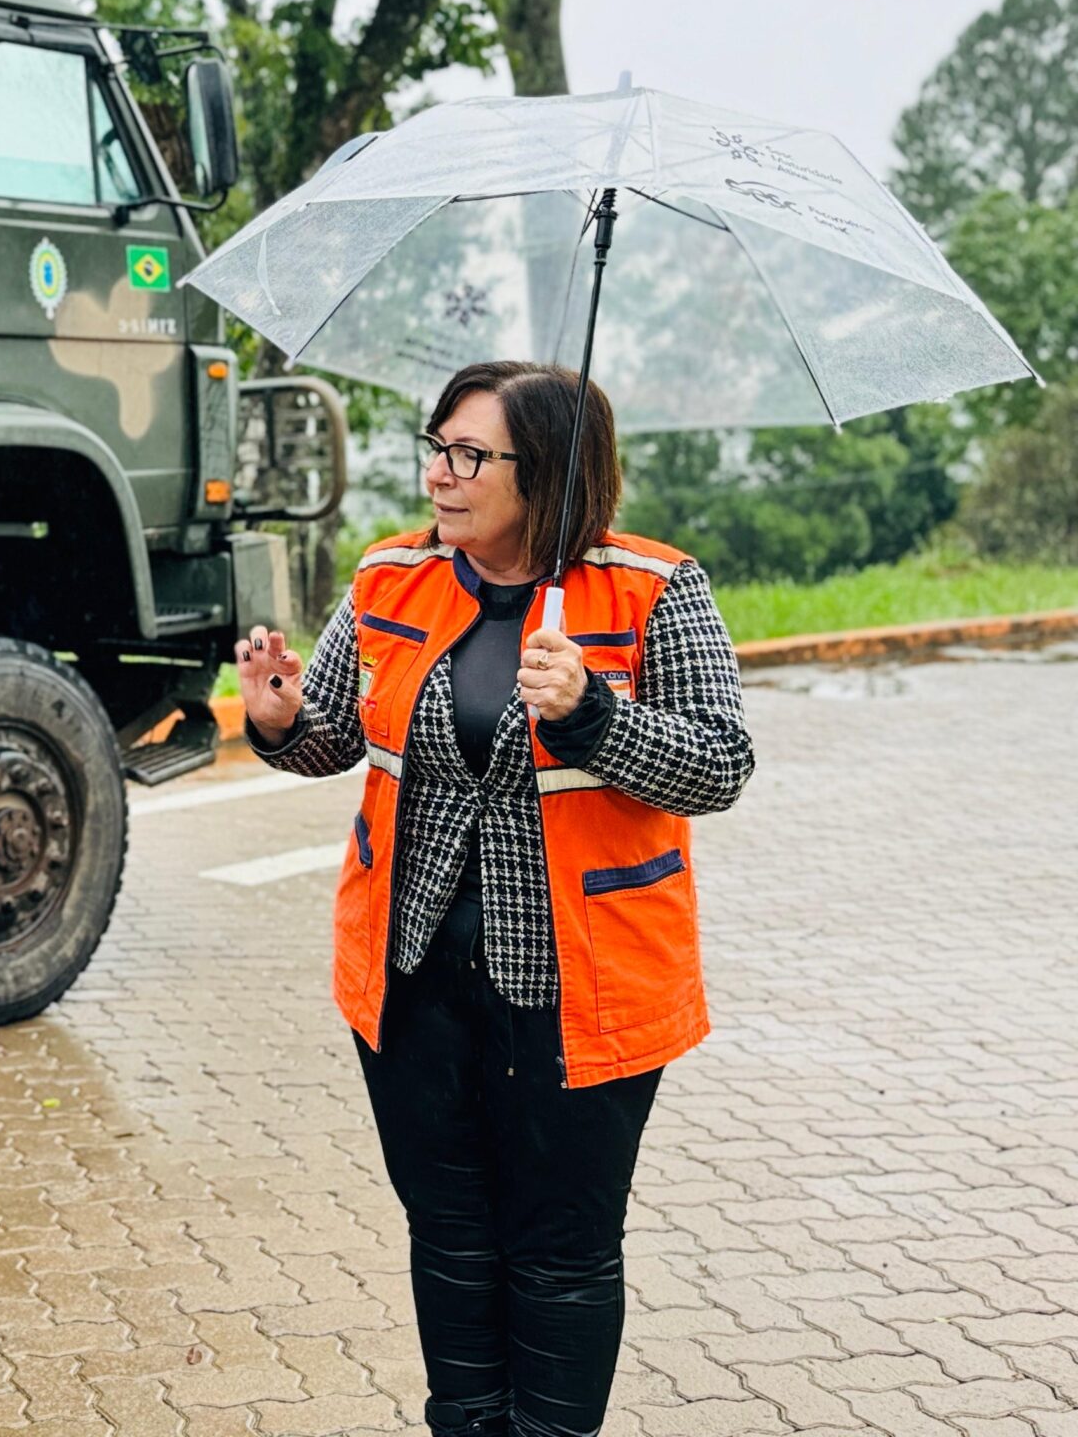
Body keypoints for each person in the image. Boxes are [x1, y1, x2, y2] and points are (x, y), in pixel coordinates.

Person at [236, 360, 755, 1437]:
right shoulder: (390, 578)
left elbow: (719, 764)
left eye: (470, 455)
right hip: (412, 981)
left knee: (560, 1252)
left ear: (548, 471)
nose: (440, 474)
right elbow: (336, 734)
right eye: (437, 446)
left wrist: (592, 715)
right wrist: (279, 719)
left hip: (580, 991)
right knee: (449, 1234)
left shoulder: (652, 588)